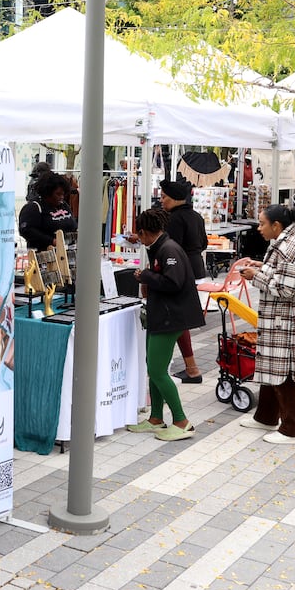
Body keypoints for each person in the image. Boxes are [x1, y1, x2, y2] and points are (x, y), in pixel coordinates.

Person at [234, 204, 295, 445]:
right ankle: (267, 416)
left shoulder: (288, 248)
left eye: (262, 224)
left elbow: (286, 288)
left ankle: (293, 430)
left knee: (286, 373)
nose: (259, 228)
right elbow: (280, 274)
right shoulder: (283, 242)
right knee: (273, 368)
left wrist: (255, 276)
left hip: (287, 322)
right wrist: (261, 266)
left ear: (276, 226)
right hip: (280, 320)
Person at [125, 208, 204, 441]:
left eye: (139, 235)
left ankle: (182, 421)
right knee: (153, 367)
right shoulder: (160, 246)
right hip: (162, 315)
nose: (138, 239)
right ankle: (156, 418)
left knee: (158, 371)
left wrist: (145, 276)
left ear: (144, 232)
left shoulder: (169, 249)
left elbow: (174, 282)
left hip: (172, 316)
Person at [157, 180, 208, 383]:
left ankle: (190, 368)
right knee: (180, 317)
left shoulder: (175, 219)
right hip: (196, 267)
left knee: (177, 318)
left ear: (176, 199)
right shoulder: (195, 216)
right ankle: (190, 367)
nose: (161, 201)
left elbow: (171, 248)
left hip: (181, 271)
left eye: (164, 197)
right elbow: (203, 242)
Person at [18, 174, 76, 250]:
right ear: (47, 193)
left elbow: (73, 224)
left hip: (68, 253)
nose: (62, 197)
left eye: (63, 194)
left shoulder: (63, 205)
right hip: (45, 254)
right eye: (58, 194)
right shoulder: (34, 207)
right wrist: (51, 241)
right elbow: (26, 230)